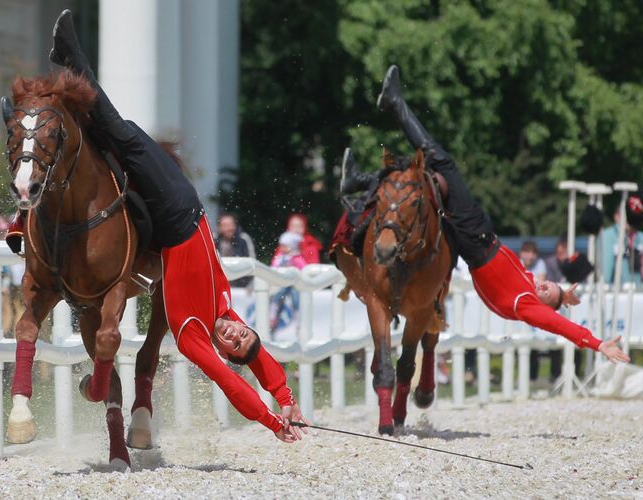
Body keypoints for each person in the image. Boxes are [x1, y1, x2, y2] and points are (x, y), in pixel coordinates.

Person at [8, 10, 308, 443]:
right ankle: (70, 64)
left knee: (119, 132)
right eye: (244, 334)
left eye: (233, 343)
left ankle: (71, 60)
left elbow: (232, 384)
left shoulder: (192, 333)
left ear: (222, 350)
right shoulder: (224, 306)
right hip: (191, 206)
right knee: (112, 137)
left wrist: (272, 422)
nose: (235, 333)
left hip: (173, 214)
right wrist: (284, 394)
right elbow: (257, 358)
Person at [340, 65, 629, 364]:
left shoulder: (524, 304)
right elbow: (546, 295)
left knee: (442, 163)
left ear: (542, 306)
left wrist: (596, 344)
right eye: (549, 284)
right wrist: (562, 296)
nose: (544, 285)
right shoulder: (528, 285)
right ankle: (359, 181)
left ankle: (394, 105)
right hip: (476, 243)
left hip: (477, 239)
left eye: (548, 293)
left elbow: (560, 325)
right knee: (426, 180)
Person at [270, 231, 306, 334]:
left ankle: (298, 321)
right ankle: (272, 318)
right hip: (282, 283)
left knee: (296, 299)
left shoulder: (297, 258)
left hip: (295, 284)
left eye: (284, 245)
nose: (281, 247)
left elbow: (303, 269)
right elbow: (273, 268)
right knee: (277, 296)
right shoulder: (279, 258)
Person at [600, 210, 643, 285]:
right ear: (617, 216)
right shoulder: (608, 236)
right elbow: (606, 273)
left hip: (638, 288)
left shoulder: (640, 237)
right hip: (617, 289)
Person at [214, 212, 255, 288]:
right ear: (219, 228)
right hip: (219, 284)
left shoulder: (243, 239)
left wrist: (250, 285)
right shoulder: (213, 240)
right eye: (225, 225)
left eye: (231, 224)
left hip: (241, 284)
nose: (229, 228)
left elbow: (252, 262)